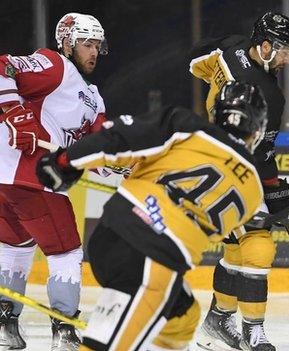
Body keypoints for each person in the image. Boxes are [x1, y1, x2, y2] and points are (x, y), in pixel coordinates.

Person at [35, 81, 268, 351]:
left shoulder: (187, 125)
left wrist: (66, 161)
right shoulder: (253, 190)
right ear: (256, 130)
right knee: (106, 346)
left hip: (112, 232)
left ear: (217, 113)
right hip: (153, 260)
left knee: (183, 315)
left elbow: (121, 138)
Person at [188, 11, 289, 351]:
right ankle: (253, 330)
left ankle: (219, 319)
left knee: (237, 248)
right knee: (258, 246)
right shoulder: (270, 95)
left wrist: (212, 79)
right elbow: (263, 157)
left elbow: (196, 60)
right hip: (221, 174)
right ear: (265, 46)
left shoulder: (231, 48)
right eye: (283, 51)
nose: (287, 60)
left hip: (215, 168)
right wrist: (277, 194)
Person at [0, 12, 108, 350]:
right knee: (66, 251)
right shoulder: (53, 65)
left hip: (9, 182)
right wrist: (15, 113)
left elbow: (102, 148)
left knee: (15, 247)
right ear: (66, 43)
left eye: (97, 45)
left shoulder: (92, 96)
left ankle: (5, 323)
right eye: (86, 43)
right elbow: (3, 66)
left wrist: (120, 163)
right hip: (31, 176)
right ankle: (64, 329)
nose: (93, 51)